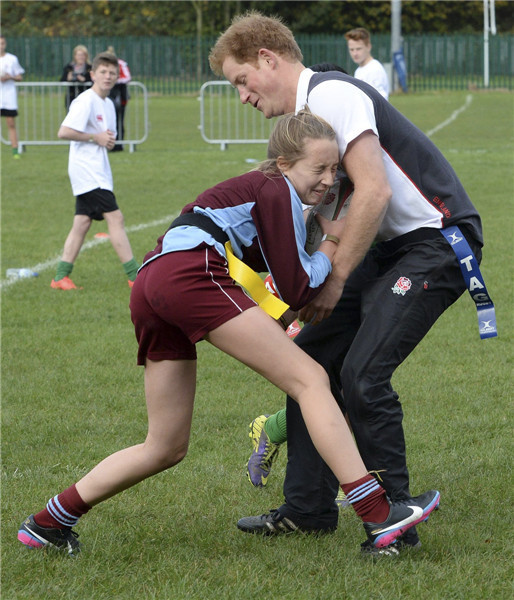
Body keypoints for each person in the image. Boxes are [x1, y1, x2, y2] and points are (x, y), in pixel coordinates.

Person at [18, 109, 440, 556]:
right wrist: (334, 241)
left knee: (164, 446)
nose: (328, 179)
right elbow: (300, 285)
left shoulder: (273, 196)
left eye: (335, 168)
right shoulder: (275, 190)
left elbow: (283, 279)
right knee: (312, 379)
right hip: (189, 274)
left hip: (152, 281)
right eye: (318, 168)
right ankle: (378, 516)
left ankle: (47, 523)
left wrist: (313, 247)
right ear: (283, 163)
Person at [209, 11, 484, 556]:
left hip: (436, 241)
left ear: (268, 58)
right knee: (308, 366)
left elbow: (375, 193)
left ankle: (394, 522)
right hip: (387, 250)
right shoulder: (308, 119)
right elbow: (339, 217)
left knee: (363, 373)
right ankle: (307, 510)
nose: (241, 95)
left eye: (241, 80)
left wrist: (332, 284)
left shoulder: (333, 94)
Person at [51, 52, 139, 291]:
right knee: (116, 218)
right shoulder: (85, 100)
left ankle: (60, 277)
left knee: (81, 223)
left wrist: (107, 141)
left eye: (112, 73)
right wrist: (95, 137)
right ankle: (135, 277)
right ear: (93, 75)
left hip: (99, 171)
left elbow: (105, 137)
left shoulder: (108, 104)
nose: (108, 77)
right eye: (103, 72)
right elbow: (64, 131)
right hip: (86, 171)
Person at [345, 27, 389, 100]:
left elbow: (381, 101)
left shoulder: (374, 69)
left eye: (358, 49)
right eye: (351, 50)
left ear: (368, 47)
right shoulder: (359, 70)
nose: (355, 53)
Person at [0, 35, 25, 159]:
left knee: (10, 123)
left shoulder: (12, 59)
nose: (1, 46)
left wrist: (10, 77)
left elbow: (19, 76)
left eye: (2, 43)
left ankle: (15, 151)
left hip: (8, 96)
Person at [106, 46, 131, 152]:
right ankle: (108, 144)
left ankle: (118, 144)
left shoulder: (121, 63)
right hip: (107, 95)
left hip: (119, 95)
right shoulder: (103, 66)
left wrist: (115, 80)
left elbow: (127, 77)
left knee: (119, 121)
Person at [60, 45, 92, 110]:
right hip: (71, 96)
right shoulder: (69, 67)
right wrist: (68, 79)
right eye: (79, 55)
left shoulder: (90, 68)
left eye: (83, 55)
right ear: (75, 56)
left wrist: (85, 79)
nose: (81, 57)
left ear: (86, 56)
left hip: (86, 95)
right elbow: (62, 80)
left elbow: (94, 80)